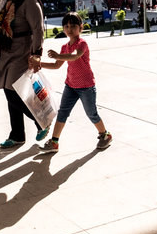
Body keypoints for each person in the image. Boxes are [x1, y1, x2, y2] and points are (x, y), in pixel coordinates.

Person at [0, 0, 46, 149]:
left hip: (22, 51)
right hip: (5, 51)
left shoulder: (28, 0)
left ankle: (40, 122)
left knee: (14, 93)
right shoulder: (6, 0)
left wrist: (37, 53)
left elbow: (38, 29)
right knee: (8, 91)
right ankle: (17, 135)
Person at [39, 12, 112, 153]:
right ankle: (54, 142)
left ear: (81, 27)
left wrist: (58, 55)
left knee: (92, 113)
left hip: (86, 86)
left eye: (73, 26)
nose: (69, 29)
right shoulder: (64, 47)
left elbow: (75, 56)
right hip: (71, 85)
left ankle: (105, 135)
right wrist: (39, 64)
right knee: (62, 113)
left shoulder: (81, 44)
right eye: (66, 26)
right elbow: (56, 65)